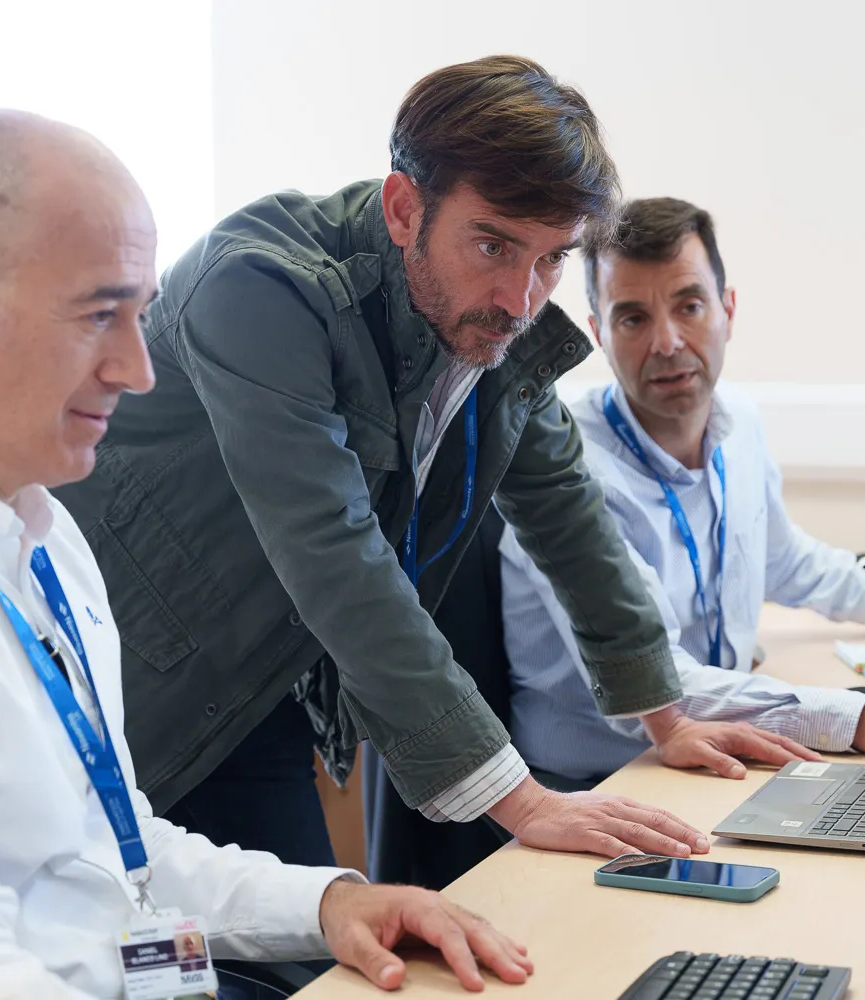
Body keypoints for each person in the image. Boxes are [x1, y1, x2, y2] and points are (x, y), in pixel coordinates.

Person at [0, 110, 535, 999]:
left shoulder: (45, 537)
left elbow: (111, 850)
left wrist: (331, 901)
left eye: (140, 317)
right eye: (100, 314)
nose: (138, 369)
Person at [52, 55, 818, 868]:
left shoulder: (477, 316)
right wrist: (525, 802)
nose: (522, 299)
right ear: (403, 207)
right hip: (124, 682)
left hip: (261, 688)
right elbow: (334, 550)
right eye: (494, 244)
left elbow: (566, 509)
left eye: (552, 259)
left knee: (299, 964)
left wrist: (667, 716)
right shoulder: (259, 287)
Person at [500, 196, 865, 788]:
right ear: (598, 332)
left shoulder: (738, 424)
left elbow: (784, 559)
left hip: (717, 748)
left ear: (728, 309)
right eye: (633, 318)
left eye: (690, 305)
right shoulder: (567, 477)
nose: (668, 341)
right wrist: (855, 717)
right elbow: (654, 680)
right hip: (606, 782)